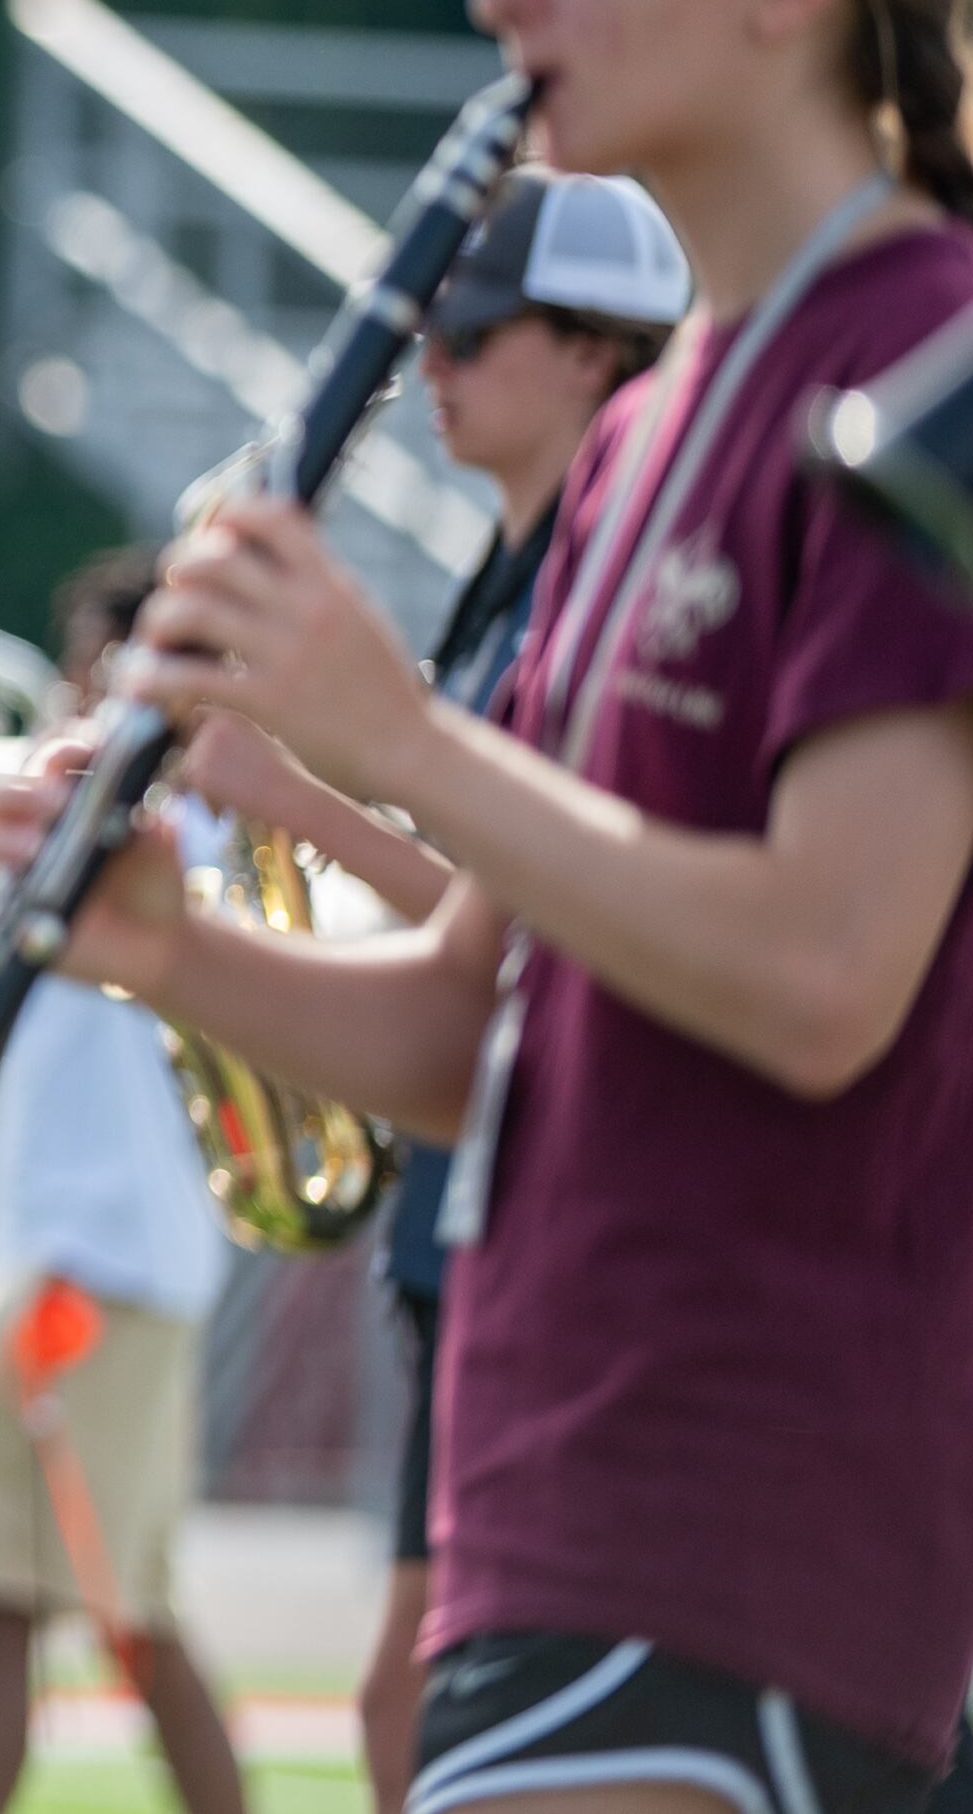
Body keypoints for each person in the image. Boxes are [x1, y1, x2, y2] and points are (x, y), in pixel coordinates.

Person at [0, 0, 973, 1814]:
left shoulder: (927, 363)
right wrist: (156, 941)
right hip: (561, 1513)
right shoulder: (643, 427)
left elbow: (819, 974)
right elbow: (476, 1034)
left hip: (764, 1538)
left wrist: (392, 738)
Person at [186, 171, 684, 1813]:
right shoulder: (514, 572)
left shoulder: (614, 580)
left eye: (471, 330)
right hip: (459, 1203)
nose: (432, 366)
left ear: (603, 348)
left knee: (437, 1702)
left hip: (557, 1214)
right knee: (419, 1697)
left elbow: (550, 914)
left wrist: (313, 795)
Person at [0, 547, 244, 1814]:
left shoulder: (195, 824)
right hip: (37, 1260)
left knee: (136, 1621)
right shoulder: (46, 797)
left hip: (113, 1265)